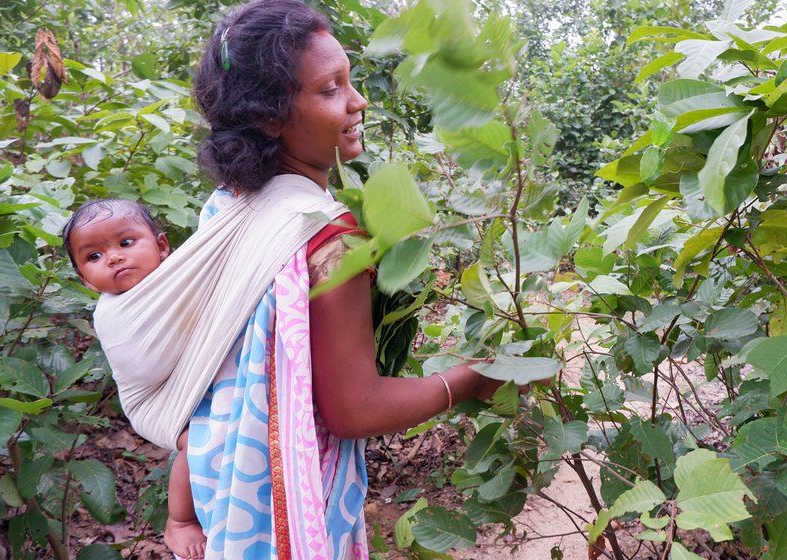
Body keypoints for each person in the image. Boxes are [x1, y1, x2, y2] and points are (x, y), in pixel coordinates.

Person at [131, 0, 512, 557]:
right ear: (268, 115)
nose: (358, 102)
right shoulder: (330, 238)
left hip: (223, 482)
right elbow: (353, 409)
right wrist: (471, 377)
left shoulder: (230, 204)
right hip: (280, 502)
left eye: (350, 81)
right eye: (330, 89)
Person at [61, 200, 207, 560]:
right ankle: (181, 520)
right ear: (84, 279)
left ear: (161, 246)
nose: (112, 258)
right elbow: (144, 366)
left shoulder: (180, 275)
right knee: (200, 441)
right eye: (93, 256)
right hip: (152, 404)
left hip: (190, 382)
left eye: (126, 243)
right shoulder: (113, 311)